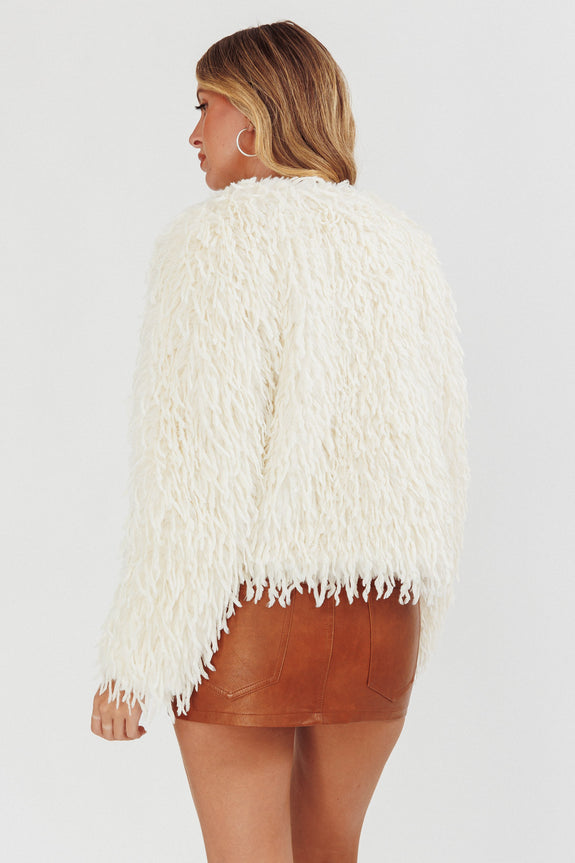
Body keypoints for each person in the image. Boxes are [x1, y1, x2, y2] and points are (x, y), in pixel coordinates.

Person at [91, 19, 470, 863]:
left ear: (254, 119)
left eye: (205, 106)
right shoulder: (401, 246)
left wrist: (134, 656)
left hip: (252, 618)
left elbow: (195, 474)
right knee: (330, 851)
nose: (194, 133)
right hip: (381, 615)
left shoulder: (214, 242)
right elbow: (442, 454)